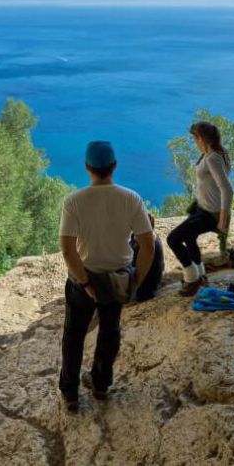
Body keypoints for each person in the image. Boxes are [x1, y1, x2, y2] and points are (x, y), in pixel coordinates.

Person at [59, 141, 155, 413]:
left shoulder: (74, 201)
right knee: (109, 331)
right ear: (114, 166)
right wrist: (136, 279)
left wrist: (86, 282)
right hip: (117, 278)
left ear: (87, 167)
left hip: (83, 279)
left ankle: (70, 394)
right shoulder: (131, 198)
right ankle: (100, 385)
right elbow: (147, 245)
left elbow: (68, 250)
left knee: (74, 335)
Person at [166, 121, 233, 297]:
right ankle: (201, 274)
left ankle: (191, 278)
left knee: (172, 239)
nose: (194, 141)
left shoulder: (213, 157)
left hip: (211, 213)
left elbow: (227, 189)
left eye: (195, 138)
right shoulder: (214, 153)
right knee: (189, 237)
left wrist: (222, 219)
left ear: (201, 138)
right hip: (203, 208)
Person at [129, 214, 164, 302]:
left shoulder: (142, 243)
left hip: (144, 290)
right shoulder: (153, 236)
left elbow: (131, 262)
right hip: (154, 281)